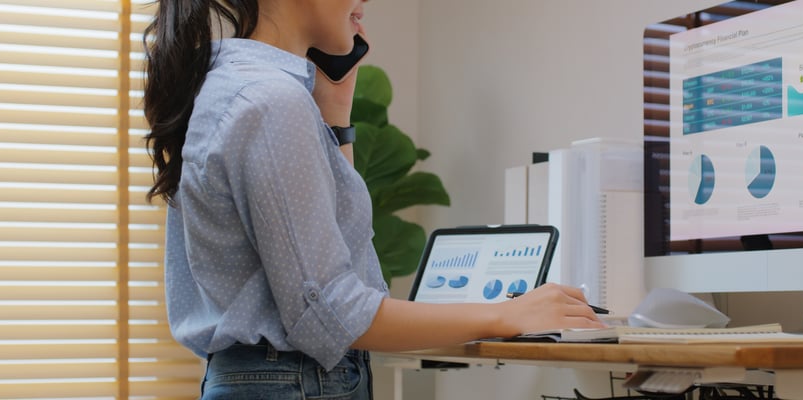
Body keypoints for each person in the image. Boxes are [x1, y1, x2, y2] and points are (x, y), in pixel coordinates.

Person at [141, 1, 605, 398]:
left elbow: (337, 262)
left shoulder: (234, 87)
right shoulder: (270, 102)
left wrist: (336, 112)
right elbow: (333, 314)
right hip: (292, 381)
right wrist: (507, 314)